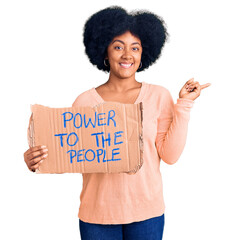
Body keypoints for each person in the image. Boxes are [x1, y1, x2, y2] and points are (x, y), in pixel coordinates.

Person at [24, 6, 211, 240]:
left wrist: (184, 104)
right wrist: (35, 160)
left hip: (147, 214)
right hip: (97, 217)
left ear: (144, 54)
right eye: (118, 46)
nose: (127, 55)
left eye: (135, 48)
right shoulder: (84, 101)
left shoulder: (159, 96)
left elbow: (171, 156)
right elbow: (69, 153)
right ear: (105, 51)